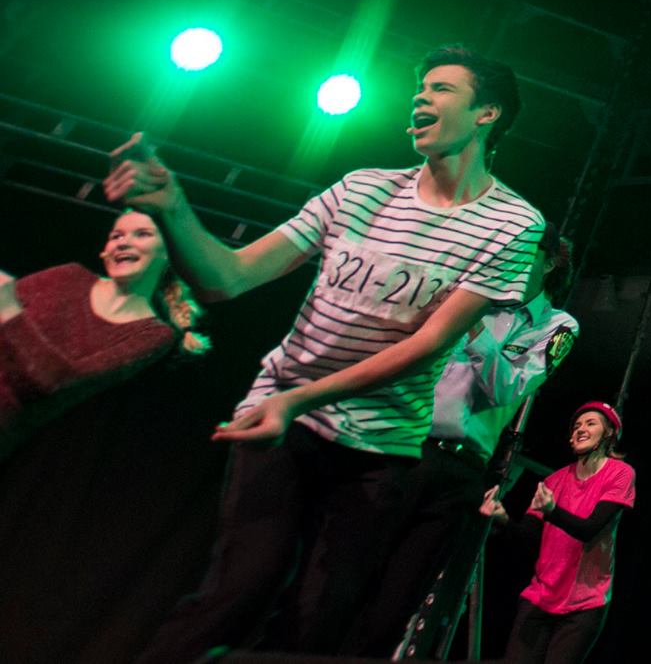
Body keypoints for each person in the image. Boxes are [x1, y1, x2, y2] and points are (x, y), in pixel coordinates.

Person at [113, 44, 544, 662]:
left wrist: (299, 399)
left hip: (380, 446)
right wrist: (174, 207)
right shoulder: (360, 189)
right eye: (420, 87)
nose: (420, 97)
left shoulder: (513, 224)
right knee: (238, 590)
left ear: (487, 113)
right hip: (282, 418)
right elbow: (227, 278)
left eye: (441, 88)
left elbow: (428, 344)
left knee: (315, 623)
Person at [347, 223, 581, 655]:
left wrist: (475, 328)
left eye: (523, 251)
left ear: (549, 263)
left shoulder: (558, 326)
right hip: (403, 446)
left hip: (460, 469)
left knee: (400, 594)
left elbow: (509, 387)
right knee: (348, 569)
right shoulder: (468, 298)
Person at [0, 209, 209, 460]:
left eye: (142, 234)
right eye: (116, 236)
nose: (123, 242)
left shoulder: (152, 335)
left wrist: (9, 310)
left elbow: (54, 383)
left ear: (169, 253)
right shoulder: (69, 275)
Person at [483, 401, 635, 664]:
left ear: (609, 432)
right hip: (540, 596)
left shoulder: (620, 473)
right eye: (576, 426)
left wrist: (552, 511)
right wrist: (503, 519)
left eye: (590, 423)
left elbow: (589, 529)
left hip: (585, 604)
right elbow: (529, 537)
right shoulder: (553, 481)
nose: (580, 429)